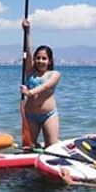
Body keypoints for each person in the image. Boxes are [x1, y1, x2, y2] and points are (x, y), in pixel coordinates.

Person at [20, 19, 61, 147]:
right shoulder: (30, 71)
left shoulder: (54, 74)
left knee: (52, 145)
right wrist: (27, 32)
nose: (40, 61)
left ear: (49, 61)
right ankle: (37, 149)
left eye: (44, 58)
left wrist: (29, 92)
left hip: (49, 115)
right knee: (28, 145)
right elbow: (28, 52)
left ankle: (50, 146)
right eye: (38, 58)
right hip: (31, 115)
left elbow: (46, 86)